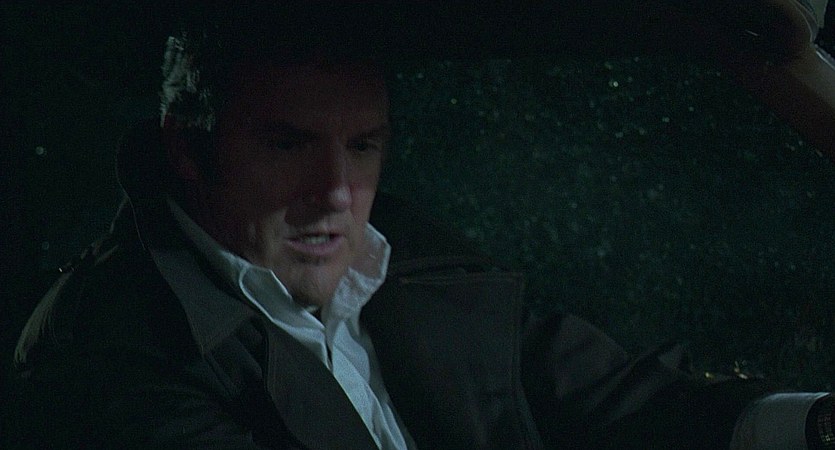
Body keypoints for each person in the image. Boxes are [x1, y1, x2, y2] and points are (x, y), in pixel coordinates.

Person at [4, 1, 835, 449]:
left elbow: (615, 399)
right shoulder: (104, 349)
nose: (337, 191)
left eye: (363, 146)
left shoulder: (406, 261)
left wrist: (812, 424)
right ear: (187, 148)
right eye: (288, 144)